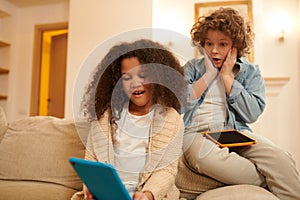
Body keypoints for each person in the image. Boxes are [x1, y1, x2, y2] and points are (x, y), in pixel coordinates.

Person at [181, 7, 300, 200]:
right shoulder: (192, 69)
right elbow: (180, 103)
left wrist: (227, 77)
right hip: (195, 133)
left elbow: (252, 113)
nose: (214, 50)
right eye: (209, 44)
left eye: (222, 44)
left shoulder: (250, 72)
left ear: (235, 46)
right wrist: (209, 74)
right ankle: (267, 181)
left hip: (233, 131)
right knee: (203, 157)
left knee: (280, 157)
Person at [71, 39, 187, 200]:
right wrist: (91, 189)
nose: (135, 83)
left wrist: (148, 195)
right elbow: (92, 161)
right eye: (126, 78)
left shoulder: (172, 119)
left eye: (143, 75)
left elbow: (167, 170)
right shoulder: (105, 117)